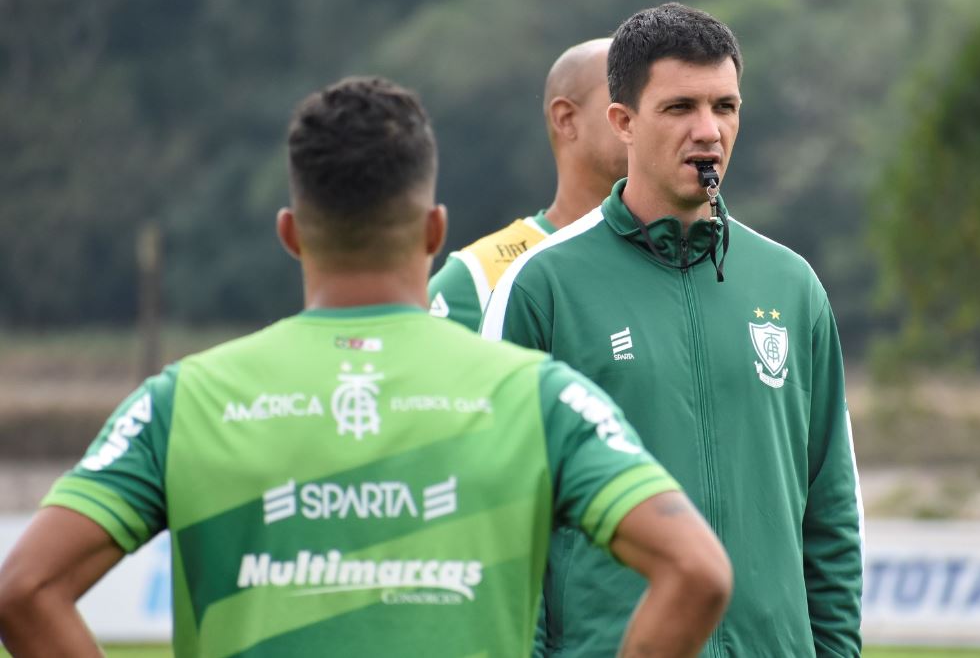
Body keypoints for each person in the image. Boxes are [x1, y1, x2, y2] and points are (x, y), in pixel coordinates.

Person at [0, 76, 732, 657]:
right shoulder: (538, 396)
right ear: (435, 230)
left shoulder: (183, 399)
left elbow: (25, 590)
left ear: (290, 234)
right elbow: (697, 571)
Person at [482, 2, 864, 658]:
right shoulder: (543, 286)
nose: (709, 130)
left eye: (726, 106)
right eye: (680, 107)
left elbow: (830, 513)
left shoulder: (792, 286)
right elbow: (504, 520)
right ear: (623, 122)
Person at [429, 37, 627, 329]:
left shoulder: (702, 262)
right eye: (626, 95)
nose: (643, 114)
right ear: (566, 119)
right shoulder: (476, 278)